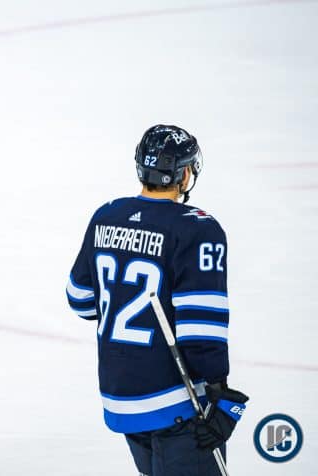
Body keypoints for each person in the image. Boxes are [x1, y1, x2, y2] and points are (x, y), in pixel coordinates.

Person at [65, 125, 248, 475]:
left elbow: (81, 299)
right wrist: (218, 391)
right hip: (178, 403)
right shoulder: (198, 228)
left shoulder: (106, 215)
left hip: (122, 398)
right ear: (185, 174)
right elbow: (200, 327)